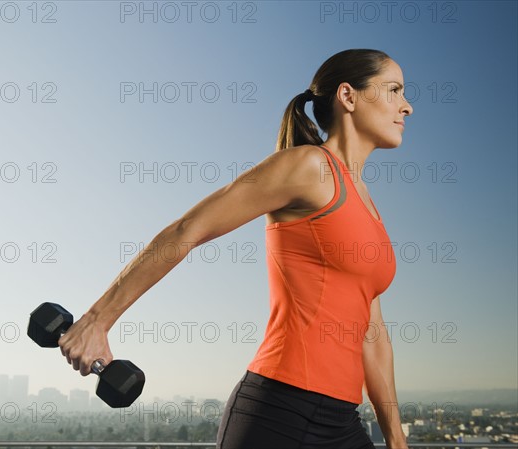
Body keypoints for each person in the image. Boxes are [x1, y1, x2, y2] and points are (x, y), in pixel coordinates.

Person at [58, 48, 413, 449]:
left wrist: (397, 441)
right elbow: (187, 230)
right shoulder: (308, 167)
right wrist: (96, 320)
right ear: (348, 97)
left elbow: (372, 333)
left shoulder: (368, 205)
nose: (408, 106)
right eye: (394, 90)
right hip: (279, 414)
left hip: (342, 420)